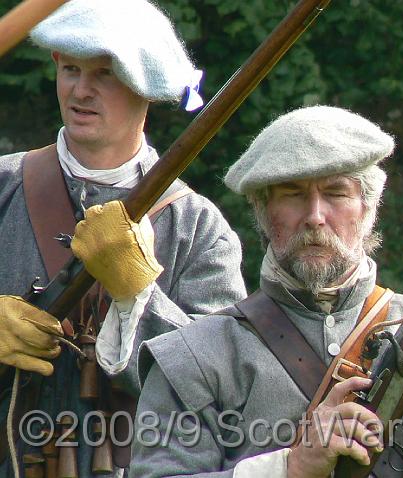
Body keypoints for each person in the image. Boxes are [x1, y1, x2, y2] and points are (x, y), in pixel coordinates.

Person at [129, 105, 403, 477]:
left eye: (336, 193)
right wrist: (289, 469)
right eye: (293, 194)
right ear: (263, 210)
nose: (315, 216)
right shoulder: (195, 357)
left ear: (368, 208)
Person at [0, 0, 246, 476]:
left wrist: (138, 297)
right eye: (71, 68)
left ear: (145, 89)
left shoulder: (197, 226)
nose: (81, 89)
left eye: (105, 74)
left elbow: (225, 389)